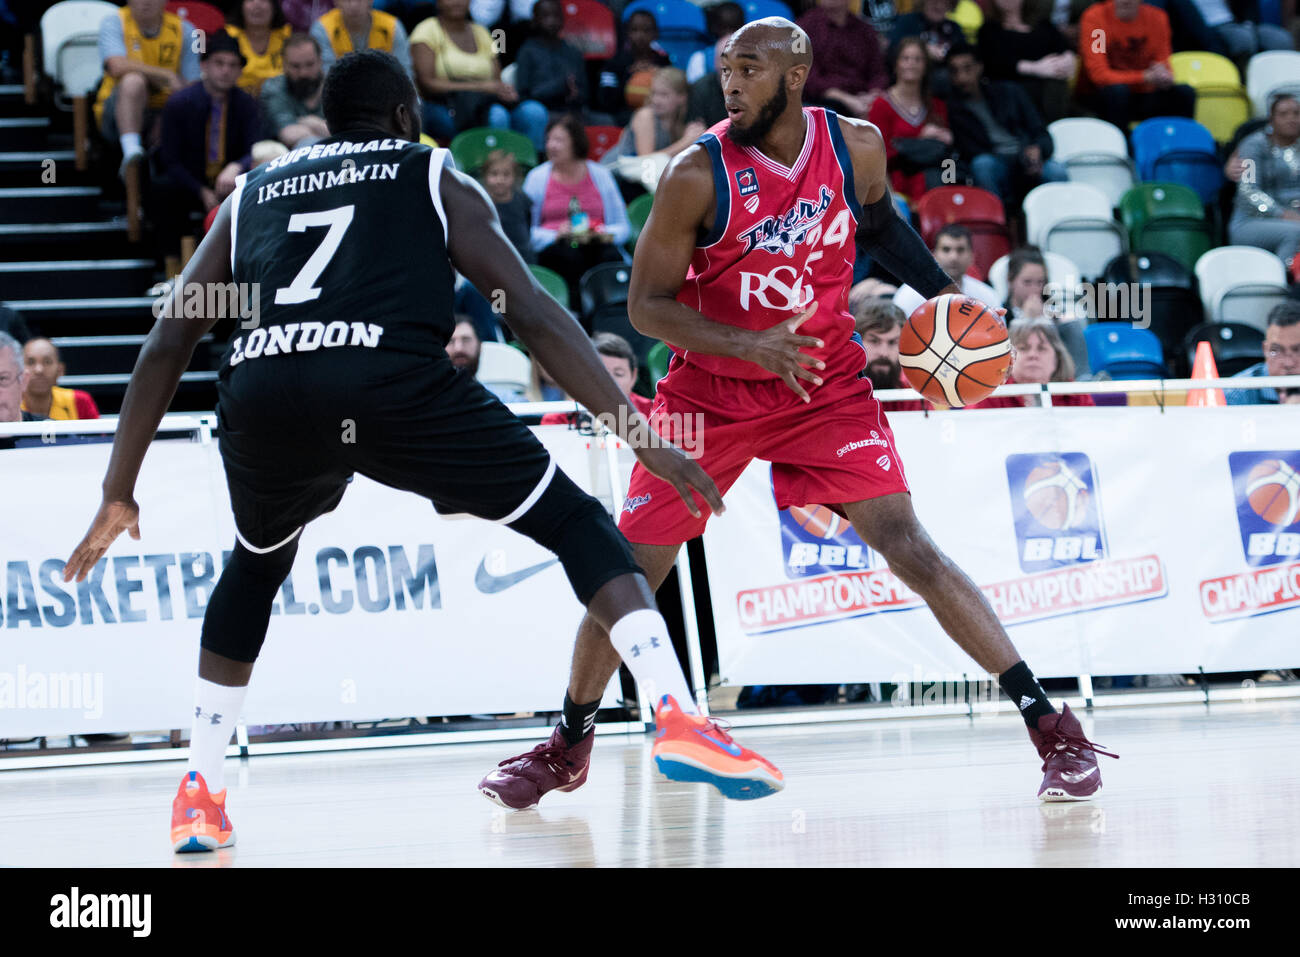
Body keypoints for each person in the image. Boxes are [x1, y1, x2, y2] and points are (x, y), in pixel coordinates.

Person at [61, 49, 777, 853]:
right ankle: (677, 712)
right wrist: (637, 432)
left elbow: (167, 338)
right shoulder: (431, 171)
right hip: (390, 383)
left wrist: (118, 489)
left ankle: (199, 789)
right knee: (577, 522)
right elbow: (530, 312)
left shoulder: (252, 192)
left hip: (265, 396)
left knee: (255, 567)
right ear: (406, 116)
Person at [481, 18, 1115, 810]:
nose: (732, 82)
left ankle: (1050, 724)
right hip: (707, 395)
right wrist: (751, 349)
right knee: (627, 572)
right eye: (724, 70)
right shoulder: (694, 173)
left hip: (824, 382)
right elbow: (645, 307)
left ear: (795, 73)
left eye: (748, 67)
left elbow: (880, 226)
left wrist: (942, 297)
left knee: (910, 545)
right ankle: (568, 742)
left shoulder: (857, 145)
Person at [155, 32, 262, 257]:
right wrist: (201, 190)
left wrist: (237, 166)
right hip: (190, 182)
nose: (225, 70)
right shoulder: (179, 103)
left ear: (240, 71)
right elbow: (170, 159)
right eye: (219, 63)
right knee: (164, 189)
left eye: (233, 65)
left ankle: (243, 266)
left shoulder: (246, 104)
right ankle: (170, 267)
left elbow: (256, 146)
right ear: (204, 65)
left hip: (231, 181)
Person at [523, 115, 631, 308]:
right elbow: (526, 233)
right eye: (549, 140)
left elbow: (623, 227)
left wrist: (601, 233)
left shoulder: (601, 174)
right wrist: (556, 234)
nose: (551, 146)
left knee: (609, 256)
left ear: (576, 142)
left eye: (559, 140)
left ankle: (608, 315)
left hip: (596, 244)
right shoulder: (536, 178)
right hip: (556, 247)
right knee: (569, 258)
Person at [410, 0, 548, 148]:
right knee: (497, 115)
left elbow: (497, 78)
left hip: (484, 102)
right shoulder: (426, 30)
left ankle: (532, 166)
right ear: (438, 2)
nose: (457, 3)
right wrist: (480, 87)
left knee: (534, 112)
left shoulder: (482, 31)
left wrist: (505, 91)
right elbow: (427, 83)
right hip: (444, 105)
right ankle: (495, 168)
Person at [944, 45, 1066, 203]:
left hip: (1025, 156)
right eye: (955, 71)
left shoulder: (1010, 92)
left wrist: (1038, 149)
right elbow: (966, 152)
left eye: (967, 68)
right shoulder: (952, 109)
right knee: (983, 165)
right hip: (994, 163)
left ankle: (1055, 223)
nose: (962, 77)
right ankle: (996, 224)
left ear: (979, 67)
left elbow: (1041, 132)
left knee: (1056, 171)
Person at [94, 0, 202, 179]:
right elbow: (116, 65)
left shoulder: (187, 30)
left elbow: (192, 85)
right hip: (117, 112)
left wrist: (166, 118)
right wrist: (165, 75)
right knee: (133, 81)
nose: (146, 1)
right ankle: (131, 152)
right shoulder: (113, 21)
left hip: (165, 111)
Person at [1076, 0, 1196, 132]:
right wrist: (1144, 77)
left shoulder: (1157, 17)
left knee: (1184, 93)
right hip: (1101, 95)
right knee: (1118, 92)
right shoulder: (1096, 18)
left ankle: (1181, 143)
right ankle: (1122, 145)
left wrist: (1163, 76)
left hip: (1143, 93)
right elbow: (1099, 75)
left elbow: (1162, 62)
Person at [868, 36, 953, 199]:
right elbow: (878, 156)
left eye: (918, 59)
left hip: (936, 180)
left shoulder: (937, 105)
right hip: (899, 184)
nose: (911, 64)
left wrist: (949, 139)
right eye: (905, 58)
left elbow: (946, 156)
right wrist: (919, 142)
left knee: (948, 172)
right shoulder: (881, 105)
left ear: (925, 66)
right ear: (896, 64)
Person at [1228, 94, 1300, 267]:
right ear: (1271, 119)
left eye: (1296, 113)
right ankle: (1285, 284)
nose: (1291, 119)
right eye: (1283, 114)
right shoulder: (1253, 146)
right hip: (1251, 221)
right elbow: (1248, 191)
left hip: (1293, 216)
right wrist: (1282, 214)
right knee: (1295, 232)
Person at [977, 0, 1076, 123]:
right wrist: (1035, 68)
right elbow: (993, 63)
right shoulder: (989, 29)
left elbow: (1063, 47)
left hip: (1051, 84)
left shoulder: (1043, 24)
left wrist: (1067, 59)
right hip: (1014, 87)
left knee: (1057, 84)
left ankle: (1058, 126)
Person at [969, 316, 1096, 408]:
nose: (1033, 355)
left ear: (1057, 357)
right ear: (1008, 357)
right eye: (1024, 348)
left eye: (1042, 348)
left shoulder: (1075, 395)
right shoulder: (990, 393)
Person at [1003, 246, 1090, 375]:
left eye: (1040, 282)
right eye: (1027, 282)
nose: (1034, 289)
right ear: (1010, 280)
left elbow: (1074, 360)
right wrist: (1026, 321)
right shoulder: (1001, 316)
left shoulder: (1056, 314)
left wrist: (1050, 323)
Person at [797, 0, 889, 118]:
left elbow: (878, 72)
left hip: (863, 99)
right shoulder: (804, 28)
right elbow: (807, 77)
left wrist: (874, 94)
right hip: (822, 103)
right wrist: (845, 99)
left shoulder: (865, 30)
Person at [541, 333, 651, 424]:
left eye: (618, 374)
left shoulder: (654, 412)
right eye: (601, 374)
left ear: (634, 376)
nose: (610, 382)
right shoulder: (556, 420)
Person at [892, 224, 1001, 316]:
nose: (953, 257)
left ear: (972, 256)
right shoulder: (908, 295)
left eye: (960, 250)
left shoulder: (988, 296)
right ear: (933, 255)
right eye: (946, 249)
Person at [605, 68, 705, 165]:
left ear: (682, 97)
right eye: (654, 93)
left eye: (663, 95)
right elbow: (644, 161)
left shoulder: (681, 119)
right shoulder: (645, 115)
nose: (656, 100)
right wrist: (685, 143)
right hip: (615, 174)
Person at [513, 0, 589, 119]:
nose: (552, 21)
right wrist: (559, 87)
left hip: (571, 110)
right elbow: (524, 96)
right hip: (541, 112)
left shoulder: (573, 52)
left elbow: (583, 91)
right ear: (535, 20)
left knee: (606, 120)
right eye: (546, 16)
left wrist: (575, 94)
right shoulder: (527, 51)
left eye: (556, 15)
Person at [596, 9, 672, 123]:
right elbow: (606, 102)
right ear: (627, 33)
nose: (640, 36)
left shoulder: (663, 62)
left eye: (646, 30)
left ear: (656, 34)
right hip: (623, 117)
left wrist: (658, 74)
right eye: (635, 30)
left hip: (659, 116)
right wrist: (630, 76)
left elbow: (672, 95)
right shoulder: (614, 64)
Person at [259, 33, 331, 148]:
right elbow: (288, 135)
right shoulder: (274, 88)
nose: (303, 73)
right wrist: (327, 130)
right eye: (295, 66)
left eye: (309, 64)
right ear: (284, 65)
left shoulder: (336, 85)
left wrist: (311, 122)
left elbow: (349, 132)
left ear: (320, 61)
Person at [1225, 301, 1300, 405]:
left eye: (1298, 350)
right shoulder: (1235, 397)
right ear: (1265, 350)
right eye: (1276, 351)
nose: (1288, 363)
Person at [312, 0, 411, 76]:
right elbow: (326, 75)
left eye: (359, 0)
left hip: (385, 91)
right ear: (336, 1)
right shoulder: (322, 28)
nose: (354, 5)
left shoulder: (392, 26)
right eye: (347, 0)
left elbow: (405, 71)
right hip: (339, 94)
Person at [226, 0, 294, 97]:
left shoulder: (286, 35)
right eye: (250, 0)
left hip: (279, 101)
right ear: (241, 6)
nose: (257, 4)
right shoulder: (229, 35)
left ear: (274, 7)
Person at [20, 338, 100, 420]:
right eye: (30, 362)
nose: (39, 370)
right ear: (18, 370)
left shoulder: (79, 402)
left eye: (47, 362)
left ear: (60, 370)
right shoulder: (10, 405)